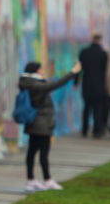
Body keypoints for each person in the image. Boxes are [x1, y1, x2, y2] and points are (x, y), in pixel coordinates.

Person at [18, 60, 82, 192]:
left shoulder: (28, 83)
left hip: (35, 123)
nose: (43, 72)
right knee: (43, 153)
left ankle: (30, 180)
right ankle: (47, 180)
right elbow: (56, 84)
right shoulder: (36, 85)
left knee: (32, 152)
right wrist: (72, 73)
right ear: (35, 72)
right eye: (40, 70)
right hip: (41, 124)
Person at [76, 33, 109, 138]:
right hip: (99, 85)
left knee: (86, 108)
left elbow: (79, 68)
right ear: (100, 40)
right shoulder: (103, 54)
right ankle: (97, 131)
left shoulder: (84, 52)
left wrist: (76, 81)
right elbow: (105, 70)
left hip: (87, 84)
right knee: (97, 109)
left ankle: (84, 130)